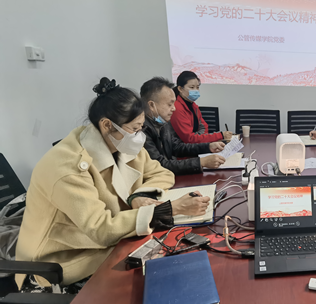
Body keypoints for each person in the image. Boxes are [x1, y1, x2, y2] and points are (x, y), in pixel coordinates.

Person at [15, 78, 211, 287]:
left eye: (141, 128)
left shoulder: (121, 142)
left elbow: (162, 173)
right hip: (61, 262)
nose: (139, 136)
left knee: (176, 255)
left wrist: (139, 195)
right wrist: (167, 210)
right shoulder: (67, 166)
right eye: (135, 129)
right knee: (158, 272)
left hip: (108, 242)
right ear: (107, 125)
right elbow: (101, 229)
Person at [140, 77, 226, 175]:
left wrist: (208, 147)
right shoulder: (141, 129)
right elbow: (160, 165)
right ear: (151, 105)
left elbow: (177, 147)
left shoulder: (163, 123)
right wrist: (201, 162)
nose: (174, 109)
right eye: (169, 104)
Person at [170, 71, 233, 144]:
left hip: (196, 145)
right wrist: (220, 135)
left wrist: (200, 138)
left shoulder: (193, 105)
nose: (196, 90)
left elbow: (204, 127)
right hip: (185, 148)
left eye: (197, 87)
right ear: (180, 89)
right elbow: (189, 138)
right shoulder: (176, 108)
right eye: (192, 87)